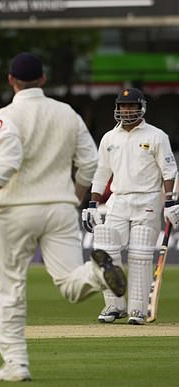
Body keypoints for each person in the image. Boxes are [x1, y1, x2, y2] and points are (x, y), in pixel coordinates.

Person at [0, 52, 126, 382]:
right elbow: (89, 164)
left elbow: (9, 162)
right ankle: (99, 274)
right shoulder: (67, 114)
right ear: (42, 80)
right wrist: (73, 199)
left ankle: (16, 365)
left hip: (17, 211)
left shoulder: (5, 115)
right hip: (60, 207)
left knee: (11, 290)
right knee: (70, 283)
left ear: (11, 80)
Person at [82, 88, 178, 325]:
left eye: (131, 106)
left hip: (148, 200)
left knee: (140, 254)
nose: (126, 110)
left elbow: (169, 172)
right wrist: (93, 203)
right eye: (123, 106)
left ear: (141, 108)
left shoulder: (156, 136)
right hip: (118, 200)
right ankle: (114, 306)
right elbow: (102, 173)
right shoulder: (109, 138)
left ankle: (137, 310)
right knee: (104, 249)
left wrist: (170, 202)